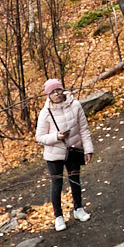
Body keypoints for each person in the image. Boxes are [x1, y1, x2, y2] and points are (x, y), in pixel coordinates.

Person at [34, 73, 93, 227]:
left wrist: (88, 150)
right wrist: (56, 136)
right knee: (57, 184)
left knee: (75, 181)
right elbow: (39, 137)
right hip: (54, 155)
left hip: (73, 150)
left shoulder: (75, 105)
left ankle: (78, 209)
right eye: (53, 92)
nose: (57, 94)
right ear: (48, 95)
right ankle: (58, 216)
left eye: (59, 90)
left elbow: (84, 129)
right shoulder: (45, 113)